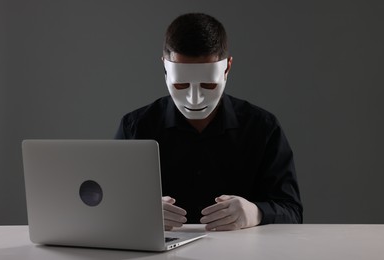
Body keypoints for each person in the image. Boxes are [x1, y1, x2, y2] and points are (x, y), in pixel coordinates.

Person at [115, 13, 303, 231]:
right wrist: (139, 213)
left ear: (227, 68)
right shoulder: (135, 127)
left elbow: (292, 211)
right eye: (181, 85)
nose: (195, 99)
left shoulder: (263, 128)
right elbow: (108, 205)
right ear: (165, 69)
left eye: (208, 85)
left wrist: (256, 213)